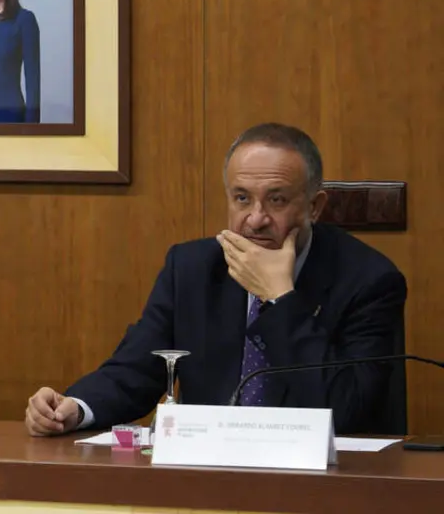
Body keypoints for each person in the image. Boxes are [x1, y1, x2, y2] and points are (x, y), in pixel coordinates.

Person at [25, 123, 406, 436]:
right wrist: (75, 408)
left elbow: (346, 410)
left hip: (320, 484)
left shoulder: (369, 281)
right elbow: (137, 369)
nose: (255, 219)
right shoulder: (192, 267)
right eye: (242, 199)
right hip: (208, 472)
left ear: (314, 207)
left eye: (276, 200)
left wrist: (280, 299)